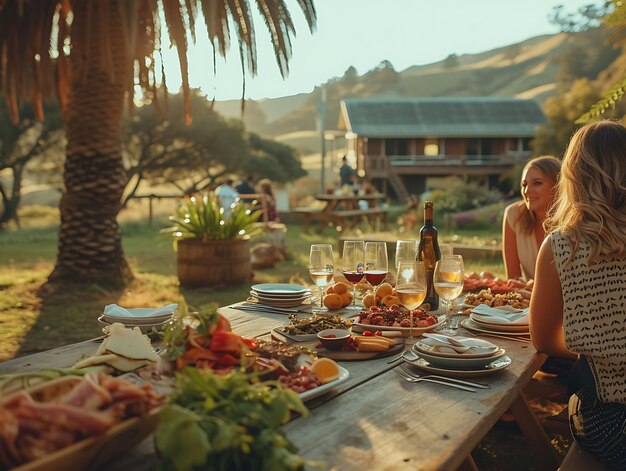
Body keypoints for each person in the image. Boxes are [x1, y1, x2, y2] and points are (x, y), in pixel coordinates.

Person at [530, 121, 626, 469]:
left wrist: (601, 343)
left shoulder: (561, 247)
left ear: (574, 175)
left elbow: (543, 339)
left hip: (607, 422)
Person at [502, 156, 561, 280]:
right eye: (524, 184)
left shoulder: (575, 220)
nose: (527, 190)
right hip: (528, 298)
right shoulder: (514, 215)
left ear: (558, 185)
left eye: (537, 183)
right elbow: (513, 280)